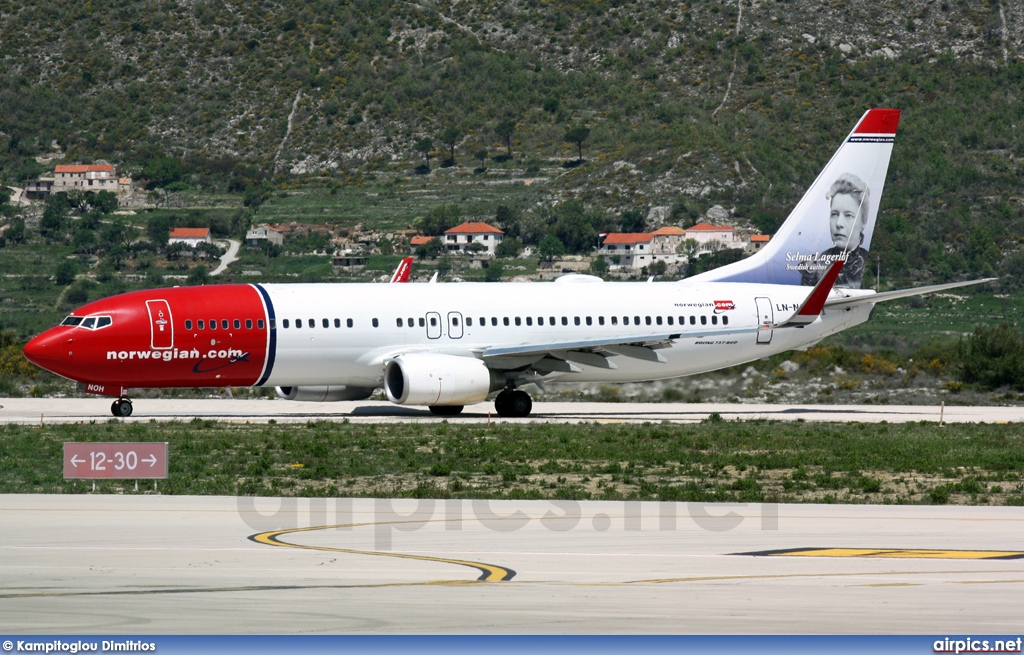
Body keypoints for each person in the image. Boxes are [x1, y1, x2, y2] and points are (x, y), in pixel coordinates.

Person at [799, 172, 869, 289]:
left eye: (848, 215)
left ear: (863, 222)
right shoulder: (815, 265)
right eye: (834, 214)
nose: (839, 223)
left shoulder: (868, 261)